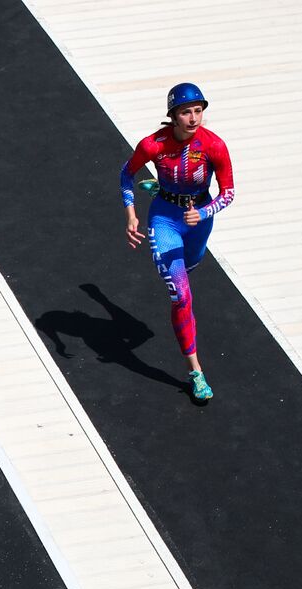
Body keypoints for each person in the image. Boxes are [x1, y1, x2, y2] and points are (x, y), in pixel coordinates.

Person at [120, 82, 235, 402]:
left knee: (192, 266)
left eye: (198, 111)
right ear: (173, 116)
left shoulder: (214, 146)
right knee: (182, 296)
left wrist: (205, 210)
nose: (194, 118)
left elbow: (228, 192)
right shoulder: (153, 145)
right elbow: (125, 174)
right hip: (165, 221)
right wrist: (131, 214)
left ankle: (159, 186)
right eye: (186, 112)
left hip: (198, 220)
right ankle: (196, 372)